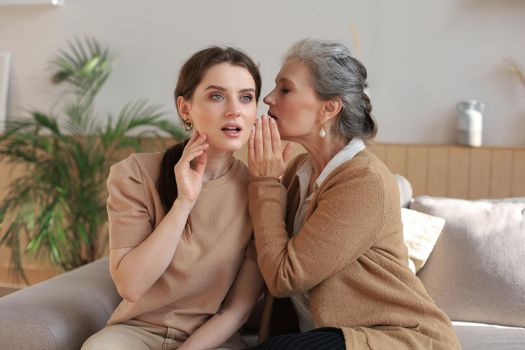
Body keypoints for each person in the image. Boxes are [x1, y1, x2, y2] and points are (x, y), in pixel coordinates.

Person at [247, 38, 461, 349]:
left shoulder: (364, 181)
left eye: (285, 89)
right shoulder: (297, 170)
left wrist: (264, 182)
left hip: (395, 336)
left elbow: (284, 276)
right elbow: (267, 251)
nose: (267, 98)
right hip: (332, 334)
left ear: (329, 108)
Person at [82, 46, 264, 350]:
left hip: (211, 340)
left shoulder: (259, 193)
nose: (235, 110)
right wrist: (184, 203)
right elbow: (131, 285)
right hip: (136, 333)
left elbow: (236, 310)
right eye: (217, 96)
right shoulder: (135, 174)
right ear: (185, 108)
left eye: (246, 97)